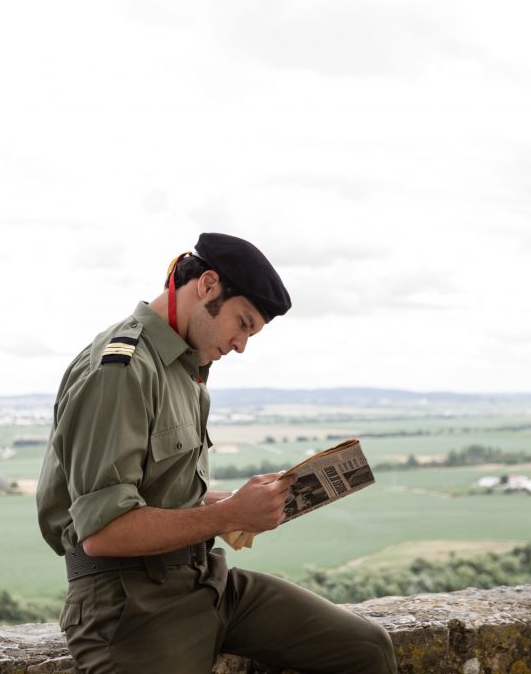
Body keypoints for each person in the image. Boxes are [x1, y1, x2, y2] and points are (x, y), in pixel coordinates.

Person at [37, 232, 397, 674]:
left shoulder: (188, 369)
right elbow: (104, 531)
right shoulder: (123, 369)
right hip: (129, 605)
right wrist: (228, 517)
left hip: (205, 579)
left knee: (365, 648)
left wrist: (235, 503)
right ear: (207, 285)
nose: (242, 344)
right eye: (243, 323)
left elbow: (158, 498)